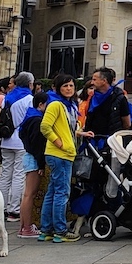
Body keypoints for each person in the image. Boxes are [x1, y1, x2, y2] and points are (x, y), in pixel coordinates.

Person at [39, 74, 93, 243]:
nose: (69, 88)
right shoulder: (56, 104)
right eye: (65, 86)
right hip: (60, 154)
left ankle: (46, 229)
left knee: (53, 192)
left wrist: (79, 133)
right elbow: (45, 127)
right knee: (62, 193)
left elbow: (64, 128)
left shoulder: (68, 105)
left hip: (61, 153)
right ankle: (60, 230)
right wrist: (60, 143)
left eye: (71, 85)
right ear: (57, 88)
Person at [0, 72, 33, 225]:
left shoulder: (8, 97)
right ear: (30, 83)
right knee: (19, 174)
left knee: (5, 174)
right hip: (20, 140)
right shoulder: (29, 99)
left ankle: (0, 206)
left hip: (6, 139)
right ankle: (14, 209)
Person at [16, 91, 49, 239]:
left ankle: (24, 226)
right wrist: (41, 165)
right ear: (41, 104)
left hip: (28, 156)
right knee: (30, 194)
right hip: (34, 158)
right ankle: (27, 227)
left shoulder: (29, 116)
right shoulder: (37, 120)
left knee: (27, 194)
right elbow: (38, 145)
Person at [85, 67, 132, 137]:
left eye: (94, 80)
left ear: (104, 81)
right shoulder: (92, 96)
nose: (92, 82)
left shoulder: (120, 98)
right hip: (92, 138)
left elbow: (127, 123)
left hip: (111, 140)